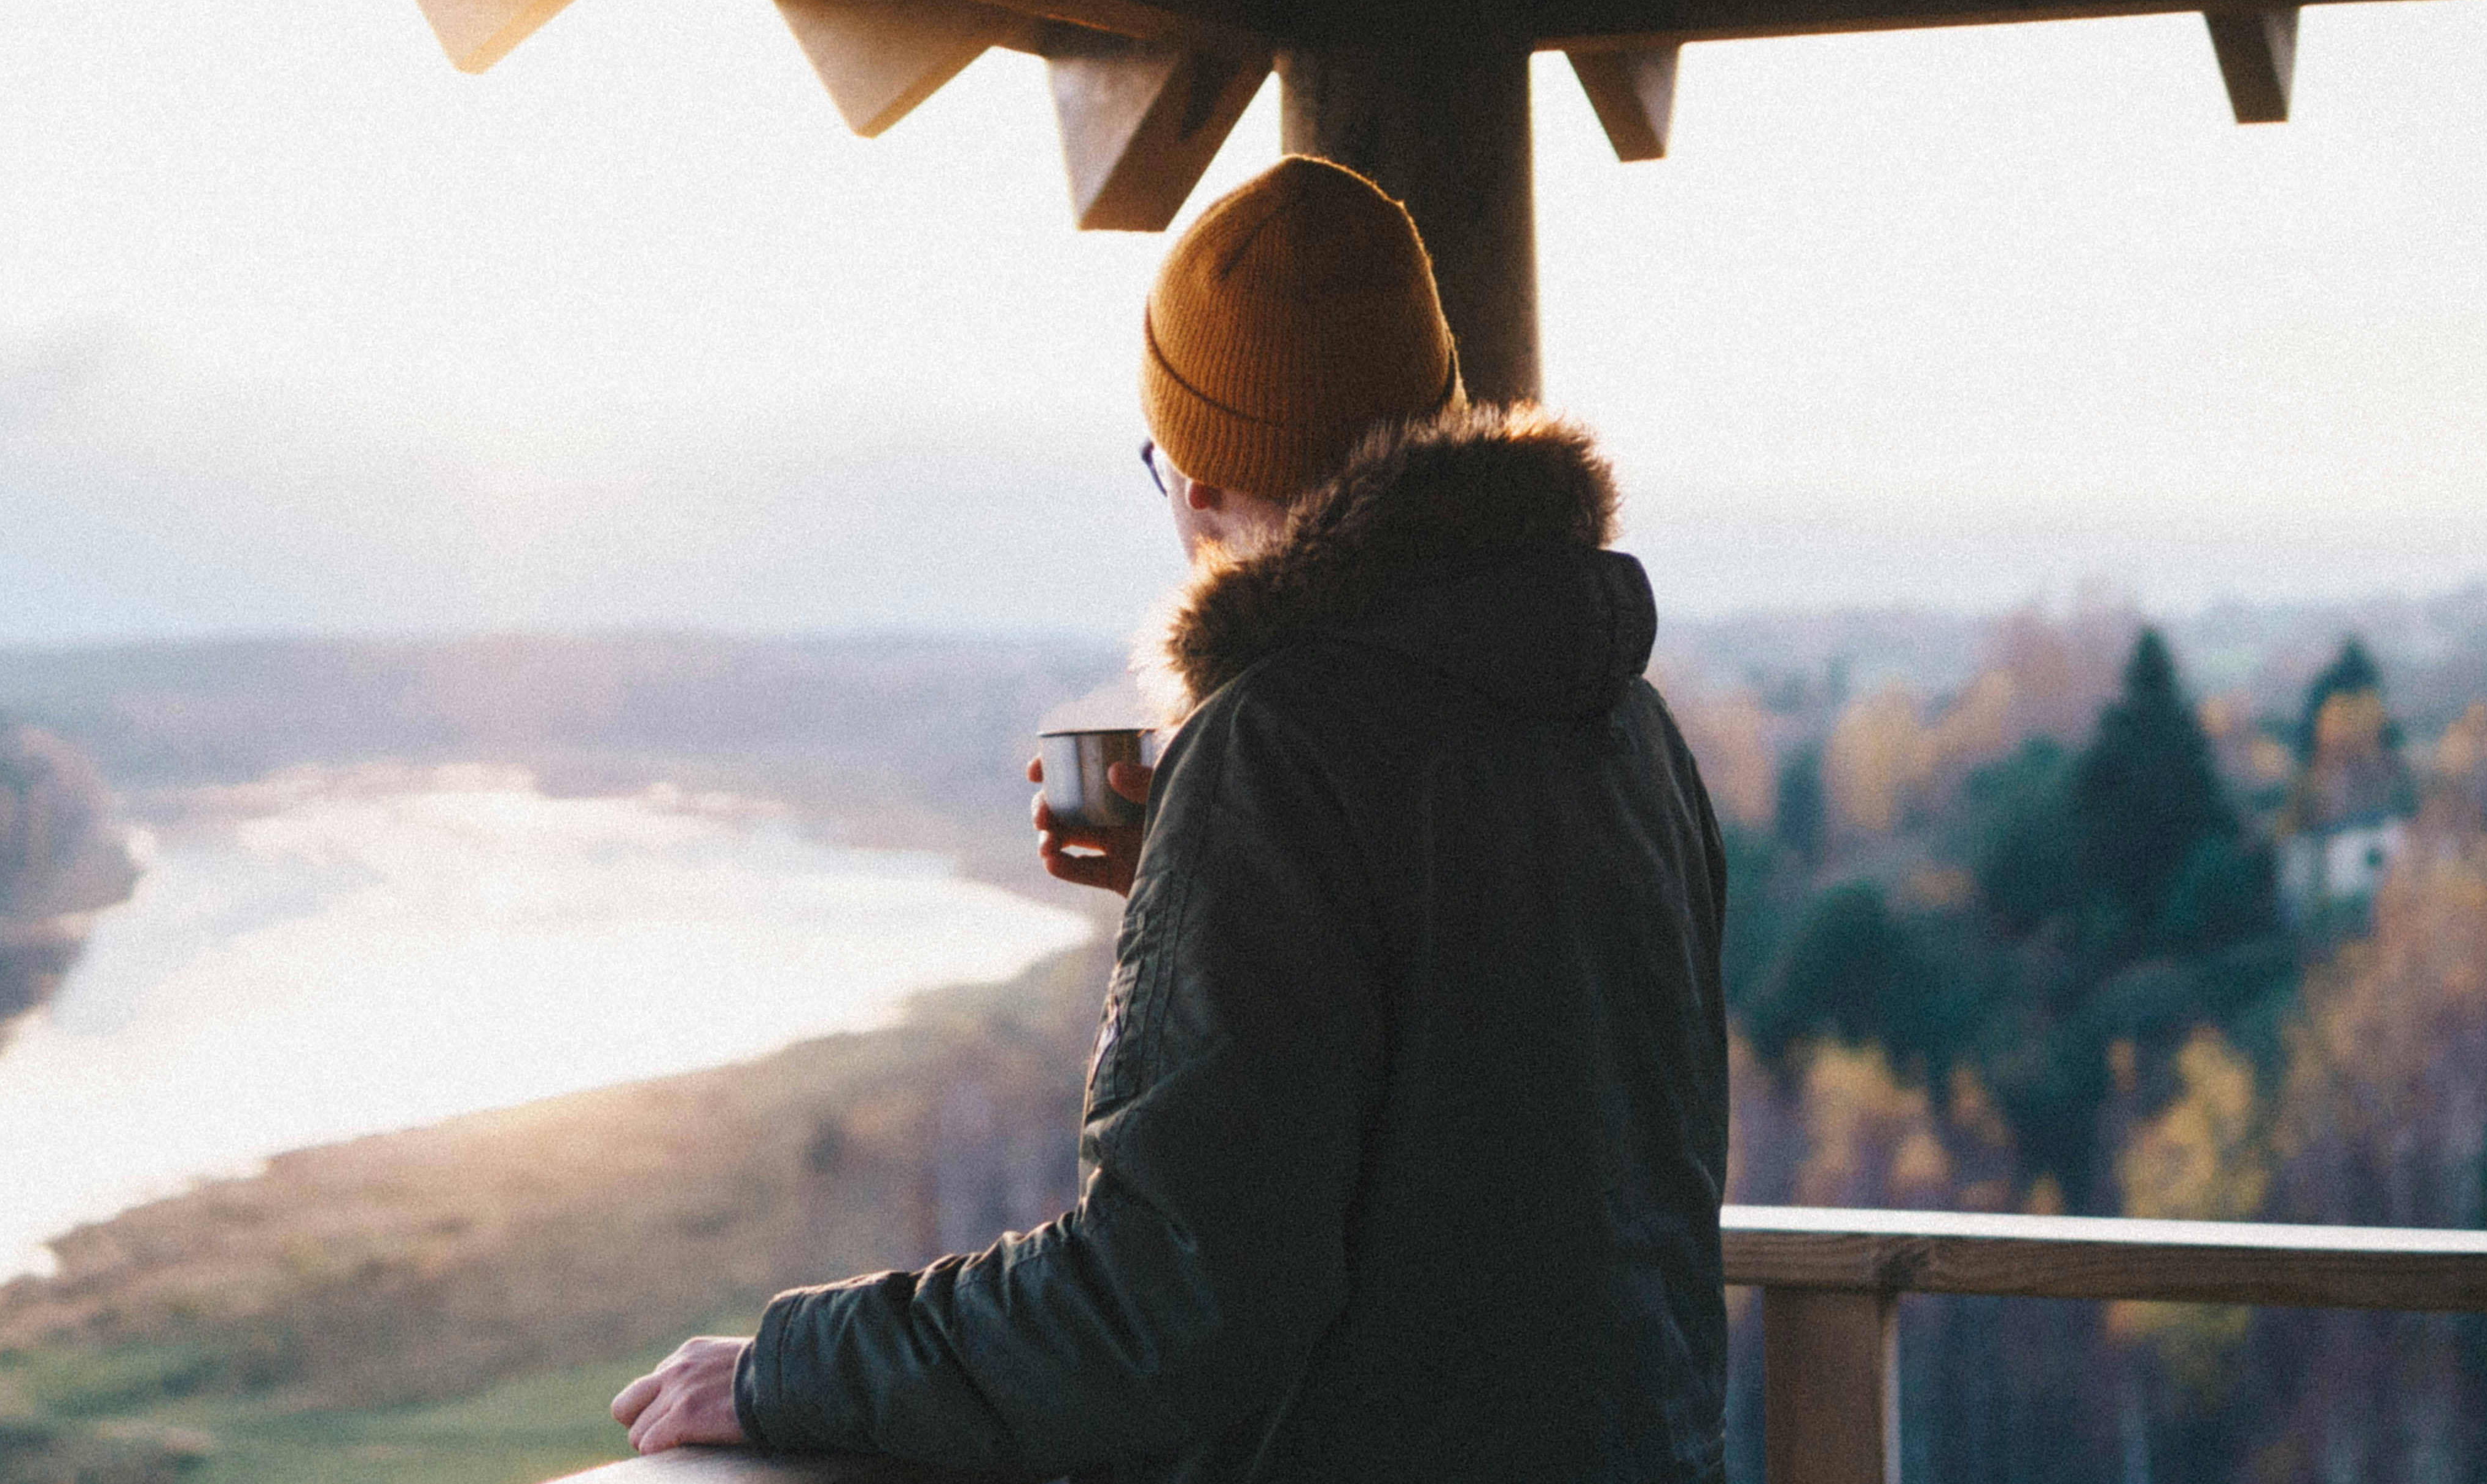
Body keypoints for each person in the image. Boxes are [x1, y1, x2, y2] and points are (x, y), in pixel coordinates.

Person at [613, 155, 1729, 1482]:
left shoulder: (1279, 748)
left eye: (1167, 463)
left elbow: (1163, 1304)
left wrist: (794, 1365)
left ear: (1201, 479)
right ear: (1445, 414)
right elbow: (1500, 1098)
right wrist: (1207, 897)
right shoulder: (1617, 718)